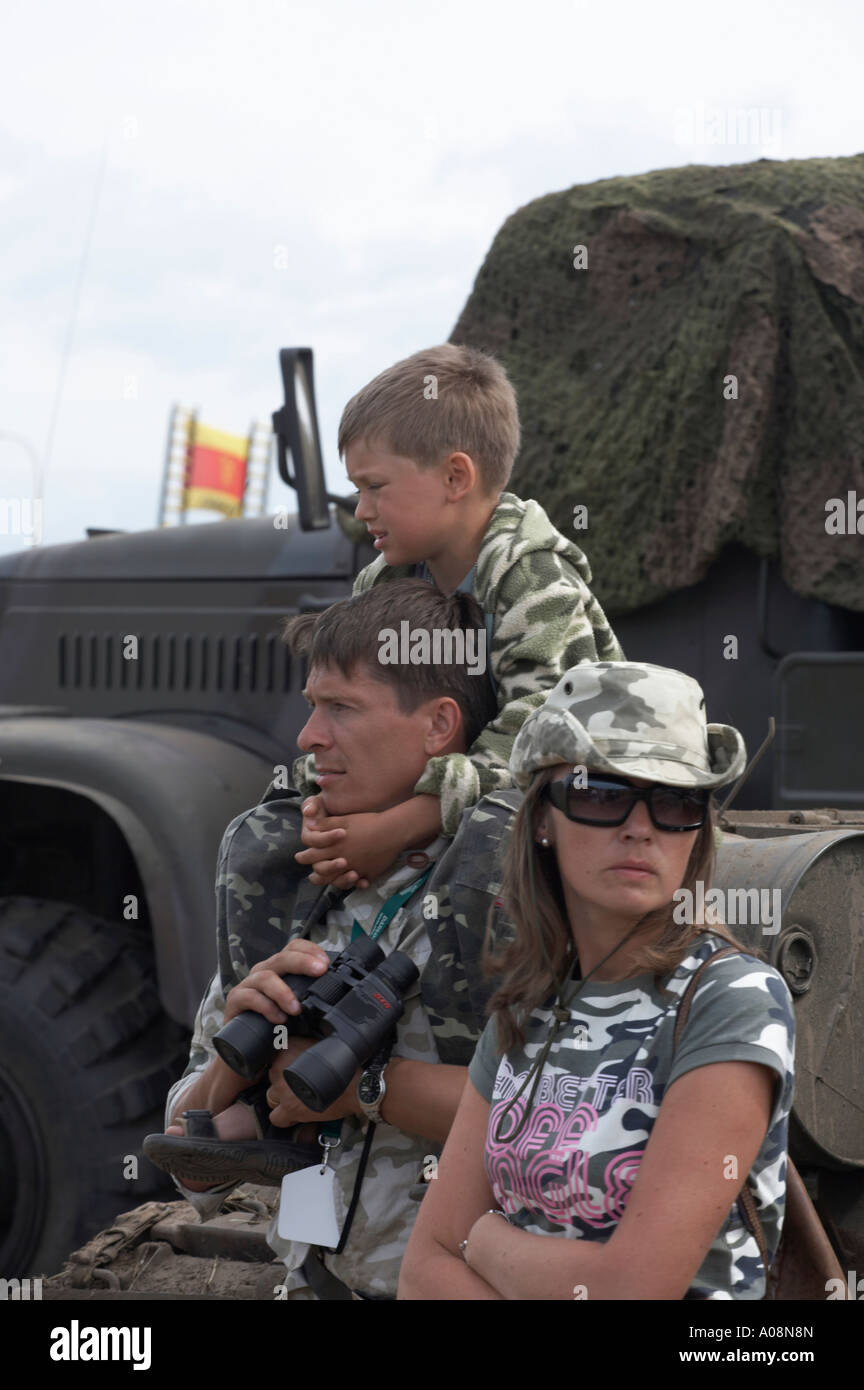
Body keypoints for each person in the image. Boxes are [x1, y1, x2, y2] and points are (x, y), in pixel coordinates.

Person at [144, 579, 519, 1300]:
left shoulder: (514, 895)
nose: (308, 737)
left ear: (440, 726)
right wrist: (236, 1048)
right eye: (314, 706)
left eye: (342, 708)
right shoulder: (292, 887)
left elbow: (564, 1120)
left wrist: (364, 1090)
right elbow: (190, 1167)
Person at [399, 662, 796, 1301]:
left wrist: (483, 1240)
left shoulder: (729, 1000)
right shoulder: (528, 1003)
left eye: (675, 801)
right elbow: (422, 1272)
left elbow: (631, 1290)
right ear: (541, 821)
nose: (640, 826)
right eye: (601, 793)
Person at [288, 343, 624, 897]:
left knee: (491, 832)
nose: (362, 510)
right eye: (356, 490)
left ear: (454, 478)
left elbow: (547, 733)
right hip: (452, 794)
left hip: (572, 800)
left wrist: (401, 824)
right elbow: (356, 718)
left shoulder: (533, 577)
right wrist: (322, 808)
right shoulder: (387, 582)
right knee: (272, 827)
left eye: (374, 487)